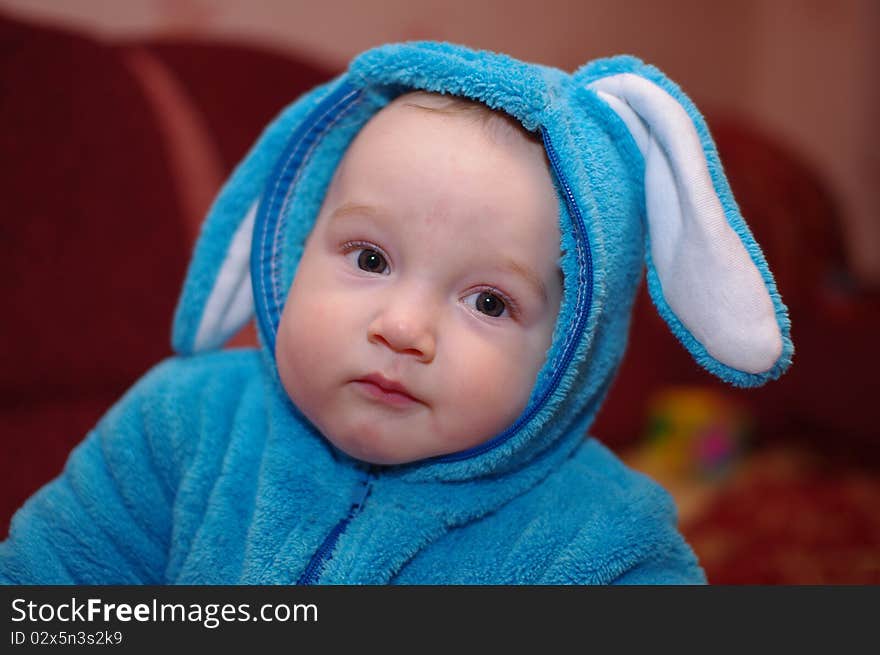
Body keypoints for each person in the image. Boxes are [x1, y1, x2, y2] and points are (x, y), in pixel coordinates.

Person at [0, 41, 792, 584]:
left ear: (568, 351)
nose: (403, 328)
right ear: (291, 248)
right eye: (371, 259)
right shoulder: (179, 421)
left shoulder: (605, 546)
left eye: (489, 300)